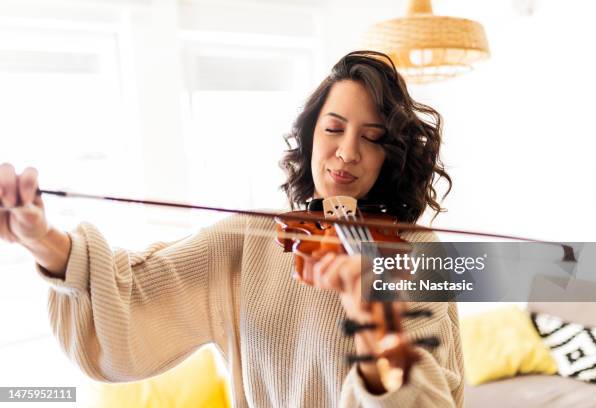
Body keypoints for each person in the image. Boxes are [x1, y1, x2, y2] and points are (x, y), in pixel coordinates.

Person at [0, 50, 463, 407]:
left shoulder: (416, 253)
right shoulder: (254, 239)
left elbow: (426, 397)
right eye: (334, 129)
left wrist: (373, 322)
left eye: (371, 138)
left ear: (392, 155)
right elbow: (132, 289)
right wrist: (42, 240)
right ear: (310, 135)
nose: (346, 152)